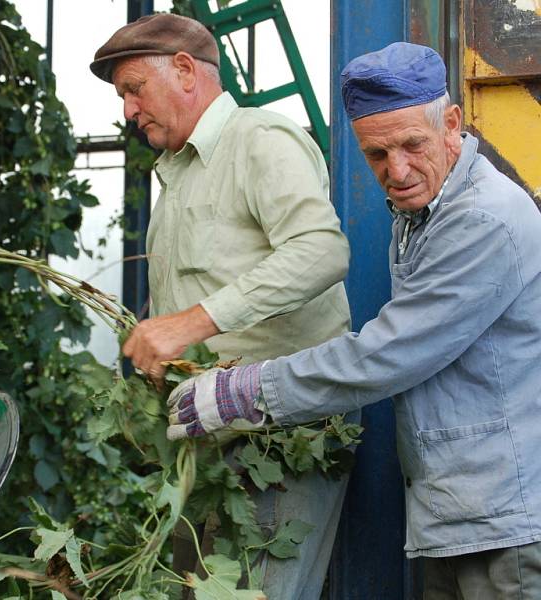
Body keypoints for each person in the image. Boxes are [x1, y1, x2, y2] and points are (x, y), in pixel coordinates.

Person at [167, 41, 541, 598]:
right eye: (375, 155)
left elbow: (388, 353)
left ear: (452, 124)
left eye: (412, 145)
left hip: (504, 520)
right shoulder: (420, 211)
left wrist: (242, 391)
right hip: (458, 512)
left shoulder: (485, 220)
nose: (397, 171)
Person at [91, 13, 357, 599]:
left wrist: (190, 324)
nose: (129, 111)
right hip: (208, 438)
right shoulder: (178, 174)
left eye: (134, 89)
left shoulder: (259, 140)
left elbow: (322, 252)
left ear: (185, 70)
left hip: (283, 431)